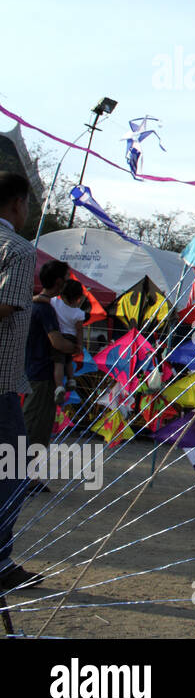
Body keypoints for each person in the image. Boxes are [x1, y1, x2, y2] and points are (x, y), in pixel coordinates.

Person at [0, 173, 42, 592]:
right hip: (0, 381)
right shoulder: (18, 249)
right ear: (17, 204)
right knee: (13, 471)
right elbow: (7, 306)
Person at [25, 260, 76, 449]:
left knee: (33, 424)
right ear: (58, 281)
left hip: (32, 372)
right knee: (36, 427)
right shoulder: (45, 309)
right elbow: (57, 342)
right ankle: (24, 475)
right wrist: (75, 348)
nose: (67, 281)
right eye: (66, 278)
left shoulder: (36, 304)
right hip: (43, 376)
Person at [51, 278, 88, 404]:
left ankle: (59, 386)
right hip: (71, 339)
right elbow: (79, 330)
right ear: (78, 296)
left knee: (58, 363)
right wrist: (79, 345)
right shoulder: (78, 313)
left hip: (59, 337)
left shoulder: (55, 302)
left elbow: (44, 299)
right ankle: (71, 379)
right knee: (68, 360)